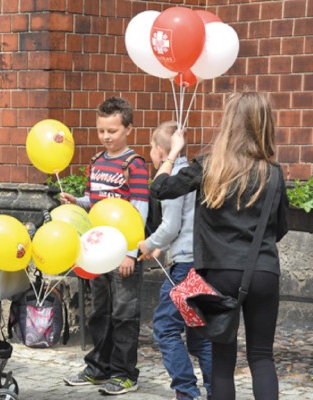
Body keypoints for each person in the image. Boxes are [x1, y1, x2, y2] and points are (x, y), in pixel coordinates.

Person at [150, 92, 288, 400]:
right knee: (262, 356)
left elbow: (159, 188)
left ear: (228, 123)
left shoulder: (207, 167)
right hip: (263, 271)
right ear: (265, 125)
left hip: (219, 273)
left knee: (223, 363)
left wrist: (173, 152)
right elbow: (280, 227)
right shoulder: (274, 173)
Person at [60, 97, 149, 395]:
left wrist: (131, 253)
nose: (106, 137)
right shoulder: (96, 161)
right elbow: (93, 201)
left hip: (123, 252)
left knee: (124, 313)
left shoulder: (134, 165)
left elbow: (139, 210)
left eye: (112, 131)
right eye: (101, 131)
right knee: (100, 311)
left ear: (128, 129)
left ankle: (125, 373)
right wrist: (77, 202)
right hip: (97, 251)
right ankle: (98, 368)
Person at [137, 121, 212, 400]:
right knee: (199, 334)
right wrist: (159, 249)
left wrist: (148, 243)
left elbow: (169, 227)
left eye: (152, 148)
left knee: (165, 327)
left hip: (184, 267)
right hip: (202, 262)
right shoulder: (194, 172)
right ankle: (216, 391)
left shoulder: (173, 177)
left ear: (159, 150)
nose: (152, 154)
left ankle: (186, 390)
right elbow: (185, 224)